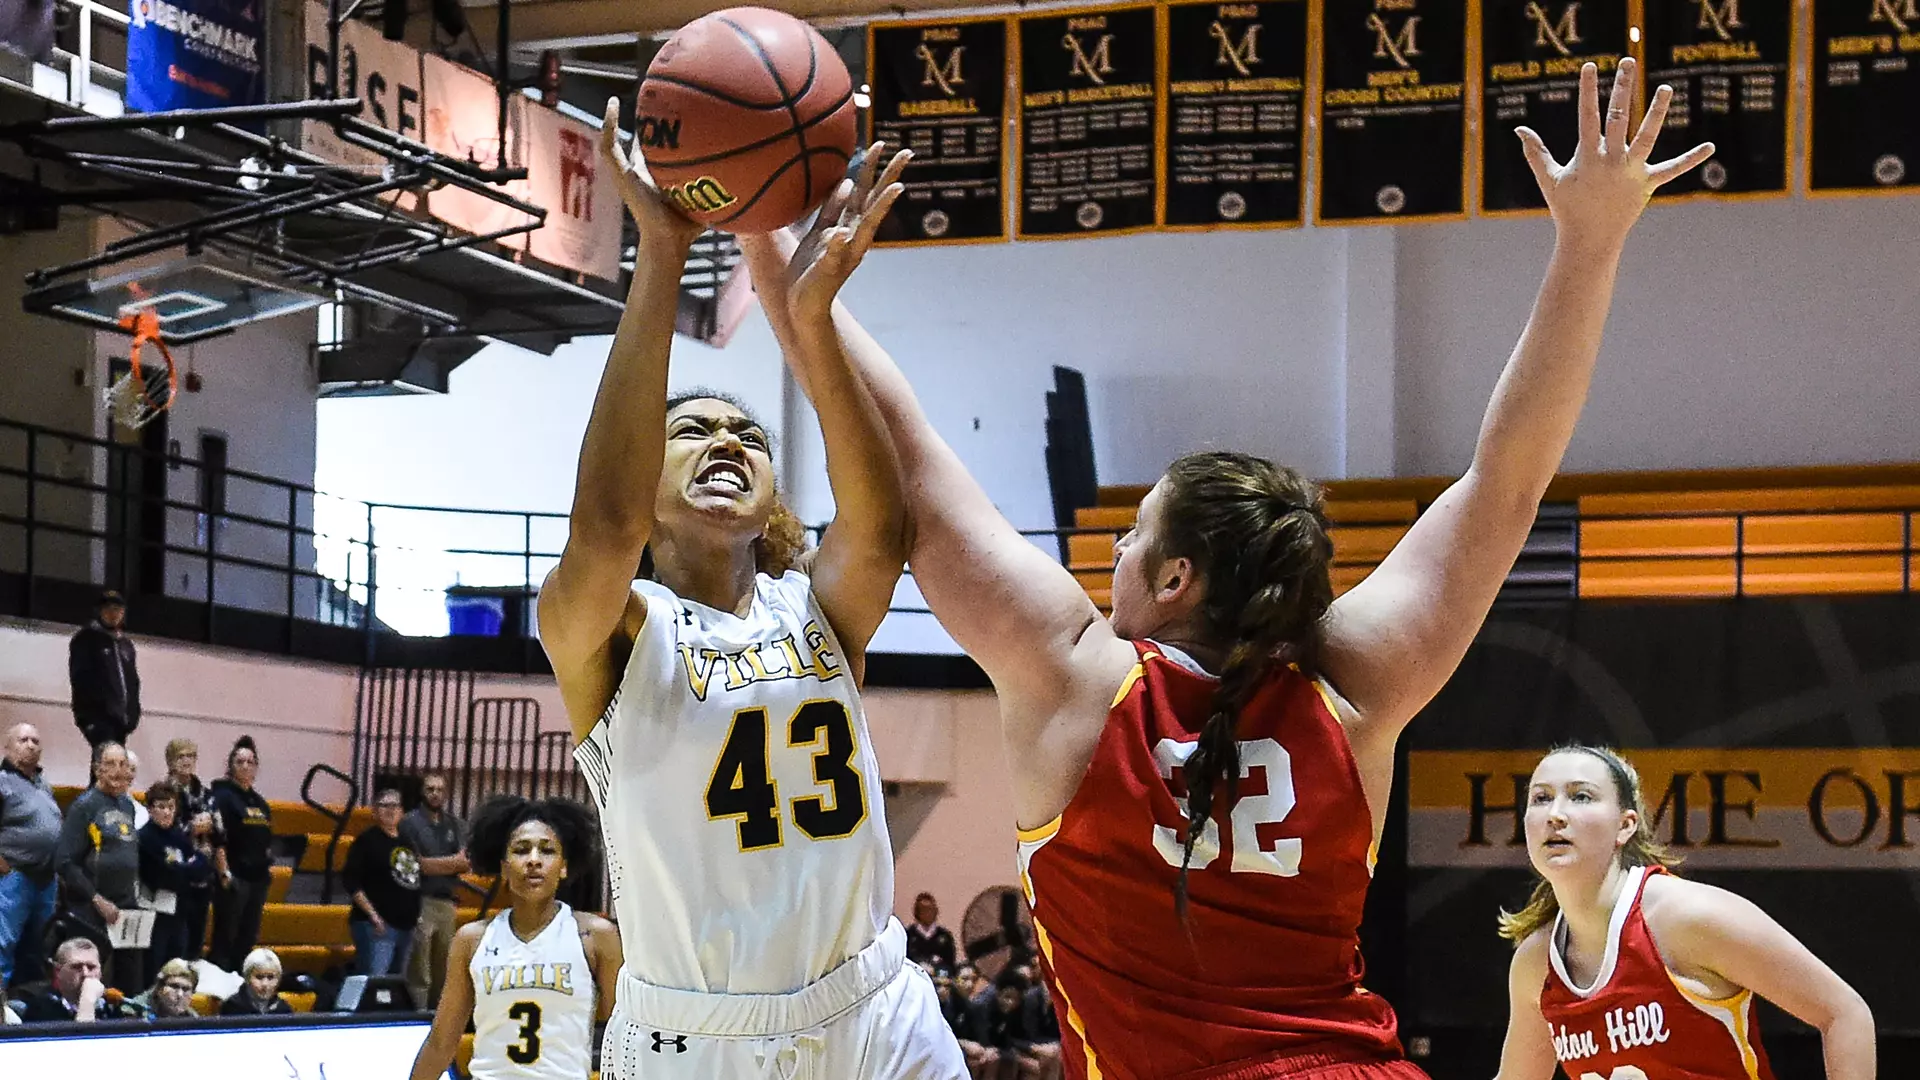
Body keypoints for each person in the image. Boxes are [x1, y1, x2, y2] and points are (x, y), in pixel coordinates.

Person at [741, 60, 1713, 1080]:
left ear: (1175, 582)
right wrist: (1592, 244)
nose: (1111, 550)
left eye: (1134, 534)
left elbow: (907, 459)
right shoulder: (1353, 686)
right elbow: (1509, 482)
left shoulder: (1074, 676)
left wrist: (772, 261)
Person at [534, 105, 960, 1079]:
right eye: (694, 433)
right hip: (701, 1037)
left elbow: (884, 526)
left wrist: (810, 324)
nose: (729, 440)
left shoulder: (815, 608)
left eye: (751, 437)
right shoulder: (614, 629)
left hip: (875, 1005)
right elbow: (600, 531)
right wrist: (661, 256)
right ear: (645, 478)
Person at [1491, 746, 1874, 1080]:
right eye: (1540, 798)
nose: (1555, 814)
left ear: (1625, 826)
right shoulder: (1536, 964)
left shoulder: (1687, 918)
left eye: (1581, 797)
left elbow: (1844, 1014)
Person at [408, 795, 621, 1080]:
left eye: (546, 850)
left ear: (564, 866)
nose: (534, 860)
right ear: (504, 866)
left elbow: (623, 1038)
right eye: (521, 850)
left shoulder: (596, 936)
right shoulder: (471, 940)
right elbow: (440, 1044)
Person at [58, 741, 145, 993]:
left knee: (131, 981)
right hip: (92, 910)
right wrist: (97, 899)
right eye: (110, 764)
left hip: (126, 909)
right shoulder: (84, 806)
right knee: (92, 981)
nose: (118, 771)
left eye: (123, 764)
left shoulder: (128, 805)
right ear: (97, 769)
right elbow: (64, 862)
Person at [0, 722, 62, 989]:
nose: (30, 745)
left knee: (39, 947)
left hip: (46, 879)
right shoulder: (2, 781)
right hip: (14, 876)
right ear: (8, 746)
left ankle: (25, 1006)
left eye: (35, 741)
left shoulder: (42, 784)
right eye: (23, 740)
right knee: (3, 944)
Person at [401, 772, 470, 1010]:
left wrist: (434, 864)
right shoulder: (410, 822)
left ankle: (438, 1014)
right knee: (420, 965)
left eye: (440, 789)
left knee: (444, 964)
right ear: (422, 792)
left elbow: (465, 862)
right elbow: (418, 865)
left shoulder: (456, 823)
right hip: (421, 899)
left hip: (447, 901)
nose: (435, 794)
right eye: (430, 789)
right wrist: (449, 863)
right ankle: (418, 1013)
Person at [135, 780, 213, 980]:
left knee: (177, 968)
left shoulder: (178, 836)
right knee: (153, 970)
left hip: (179, 914)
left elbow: (203, 868)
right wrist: (190, 866)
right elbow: (163, 876)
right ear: (150, 809)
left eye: (171, 807)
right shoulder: (145, 838)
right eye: (161, 807)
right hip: (154, 915)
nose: (167, 812)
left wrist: (185, 868)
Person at [208, 735, 273, 971]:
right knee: (226, 936)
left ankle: (240, 983)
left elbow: (265, 838)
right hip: (235, 877)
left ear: (256, 767)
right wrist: (224, 872)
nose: (245, 766)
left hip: (258, 879)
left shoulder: (259, 802)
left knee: (248, 936)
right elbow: (218, 838)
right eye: (239, 762)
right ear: (231, 765)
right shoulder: (222, 796)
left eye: (250, 762)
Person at [342, 788, 422, 977]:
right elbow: (351, 881)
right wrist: (373, 916)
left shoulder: (407, 841)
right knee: (374, 983)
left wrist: (417, 916)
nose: (390, 810)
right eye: (384, 805)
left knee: (394, 987)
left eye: (395, 805)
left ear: (402, 811)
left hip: (406, 927)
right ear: (375, 811)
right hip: (377, 927)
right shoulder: (366, 841)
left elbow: (415, 879)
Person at [163, 737, 220, 963]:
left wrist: (211, 826)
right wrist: (192, 829)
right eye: (181, 756)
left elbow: (220, 828)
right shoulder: (164, 792)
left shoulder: (206, 793)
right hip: (176, 874)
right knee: (178, 938)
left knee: (198, 935)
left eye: (191, 756)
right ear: (170, 761)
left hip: (204, 874)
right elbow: (165, 830)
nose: (186, 761)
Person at [69, 591, 140, 753]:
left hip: (122, 721)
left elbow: (133, 682)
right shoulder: (86, 639)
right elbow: (80, 680)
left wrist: (133, 714)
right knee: (105, 759)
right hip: (98, 718)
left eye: (118, 609)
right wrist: (91, 716)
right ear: (100, 611)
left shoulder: (125, 645)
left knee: (114, 763)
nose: (114, 613)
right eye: (109, 609)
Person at [13, 938, 141, 1021]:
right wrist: (87, 1001)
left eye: (91, 967)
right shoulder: (41, 1007)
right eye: (77, 967)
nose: (85, 973)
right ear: (58, 972)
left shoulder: (111, 1006)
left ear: (100, 971)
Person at [219, 946, 292, 1015]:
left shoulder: (283, 1009)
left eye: (270, 977)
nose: (265, 984)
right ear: (247, 978)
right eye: (259, 977)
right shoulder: (231, 1007)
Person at [130, 956, 199, 1018]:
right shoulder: (133, 1013)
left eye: (186, 989)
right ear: (159, 988)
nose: (180, 994)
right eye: (174, 986)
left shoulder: (192, 1018)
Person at [907, 892, 957, 974]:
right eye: (924, 910)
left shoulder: (944, 936)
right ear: (917, 912)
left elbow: (951, 964)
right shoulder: (908, 935)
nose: (928, 914)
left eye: (931, 909)